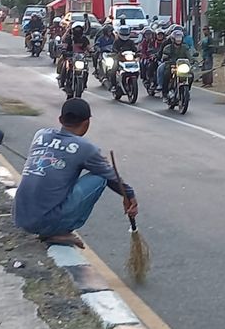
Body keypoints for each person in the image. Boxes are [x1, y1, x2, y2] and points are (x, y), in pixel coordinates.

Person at [13, 99, 138, 248]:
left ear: (60, 119)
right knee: (100, 178)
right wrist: (129, 195)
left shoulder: (41, 135)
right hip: (44, 222)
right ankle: (59, 231)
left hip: (19, 217)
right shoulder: (85, 148)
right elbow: (111, 176)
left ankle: (51, 227)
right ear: (87, 123)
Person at [57, 22, 91, 93]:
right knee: (65, 66)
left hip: (80, 58)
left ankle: (84, 84)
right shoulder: (69, 38)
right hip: (70, 57)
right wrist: (64, 50)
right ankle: (62, 81)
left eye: (79, 29)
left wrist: (92, 52)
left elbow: (89, 48)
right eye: (76, 29)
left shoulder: (84, 39)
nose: (78, 31)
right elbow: (64, 45)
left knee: (86, 70)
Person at [160, 29, 192, 100]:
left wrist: (193, 60)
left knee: (191, 75)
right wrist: (166, 58)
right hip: (172, 66)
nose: (178, 40)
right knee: (166, 74)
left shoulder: (185, 47)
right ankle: (165, 93)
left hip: (183, 66)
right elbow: (164, 56)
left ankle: (186, 91)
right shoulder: (168, 47)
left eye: (180, 38)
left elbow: (189, 56)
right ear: (173, 39)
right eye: (177, 38)